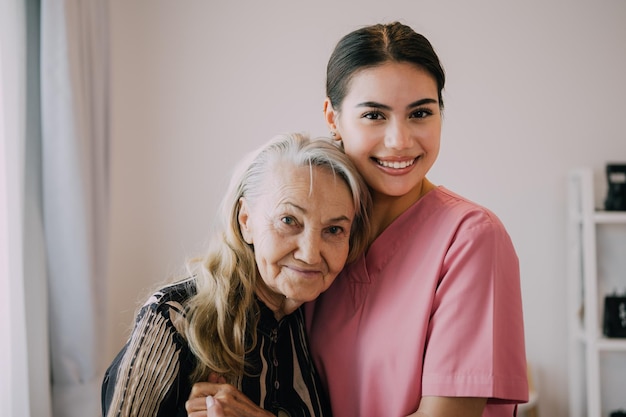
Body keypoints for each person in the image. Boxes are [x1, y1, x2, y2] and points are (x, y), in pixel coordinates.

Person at [304, 22, 529, 417]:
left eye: (420, 113)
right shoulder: (315, 234)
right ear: (332, 117)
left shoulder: (472, 238)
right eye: (375, 115)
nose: (400, 141)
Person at [101, 132, 371, 417]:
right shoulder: (173, 316)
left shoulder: (322, 320)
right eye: (288, 220)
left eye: (333, 230)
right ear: (246, 221)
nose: (310, 254)